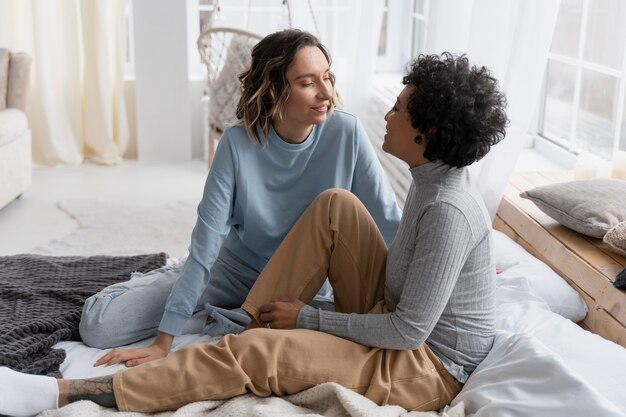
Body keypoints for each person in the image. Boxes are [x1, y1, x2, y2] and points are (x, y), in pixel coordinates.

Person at [0, 52, 508, 416]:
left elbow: (407, 333)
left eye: (399, 108)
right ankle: (247, 326)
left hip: (424, 368)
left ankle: (63, 394)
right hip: (387, 320)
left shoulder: (447, 208)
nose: (388, 114)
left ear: (428, 133)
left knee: (259, 354)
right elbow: (398, 243)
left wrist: (309, 318)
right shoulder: (430, 178)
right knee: (336, 205)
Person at [78, 28, 402, 367]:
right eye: (307, 83)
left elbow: (389, 224)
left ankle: (216, 317)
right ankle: (179, 283)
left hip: (303, 287)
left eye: (328, 78)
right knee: (98, 326)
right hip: (234, 272)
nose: (326, 93)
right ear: (275, 89)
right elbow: (206, 245)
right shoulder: (237, 142)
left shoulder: (346, 133)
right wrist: (163, 343)